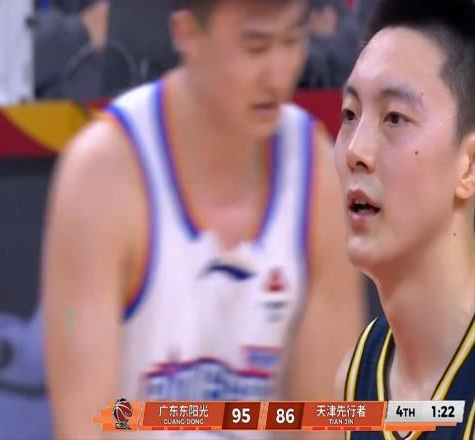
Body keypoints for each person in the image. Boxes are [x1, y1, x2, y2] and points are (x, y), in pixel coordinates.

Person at [41, 0, 364, 438]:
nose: (278, 73)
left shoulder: (317, 175)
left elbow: (319, 424)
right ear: (187, 34)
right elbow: (85, 425)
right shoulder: (102, 175)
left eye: (292, 41)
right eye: (255, 47)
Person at [335, 0, 475, 438]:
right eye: (349, 115)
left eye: (395, 118)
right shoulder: (354, 375)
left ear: (469, 165)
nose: (355, 150)